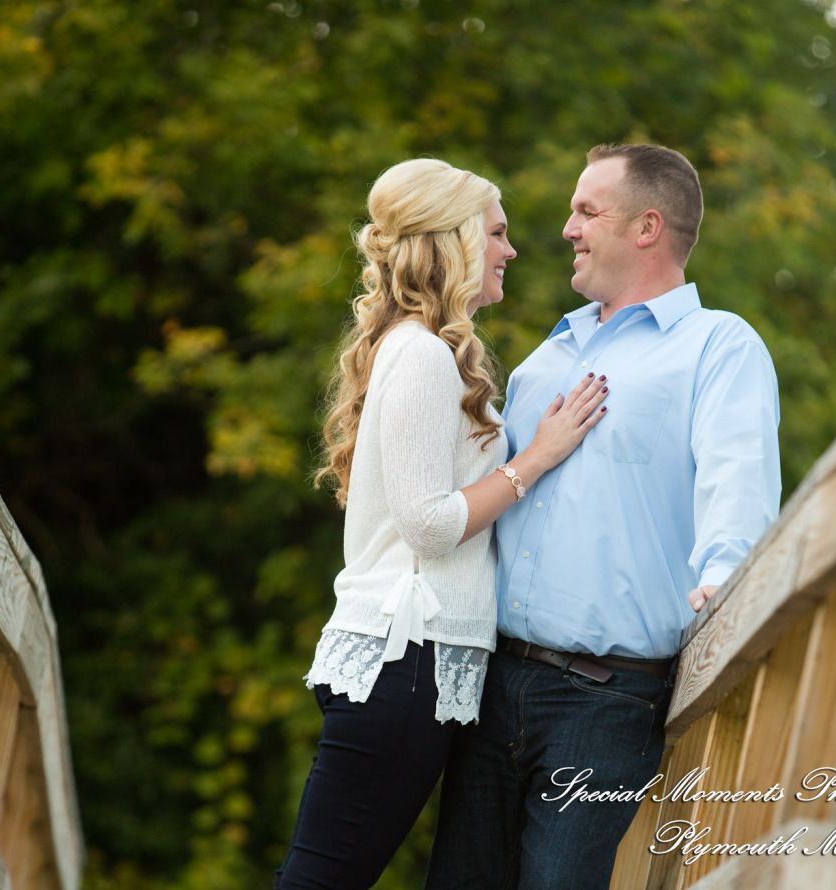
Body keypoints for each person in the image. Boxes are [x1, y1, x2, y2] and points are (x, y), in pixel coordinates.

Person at [426, 143, 781, 889]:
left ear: (647, 226)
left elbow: (737, 484)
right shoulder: (545, 359)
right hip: (490, 684)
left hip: (606, 701)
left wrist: (726, 582)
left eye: (586, 210)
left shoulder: (718, 346)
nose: (566, 229)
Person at [274, 158, 609, 890]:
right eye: (496, 232)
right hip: (406, 657)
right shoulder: (424, 355)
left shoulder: (418, 348)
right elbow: (428, 524)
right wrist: (537, 460)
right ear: (455, 240)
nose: (511, 249)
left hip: (411, 661)